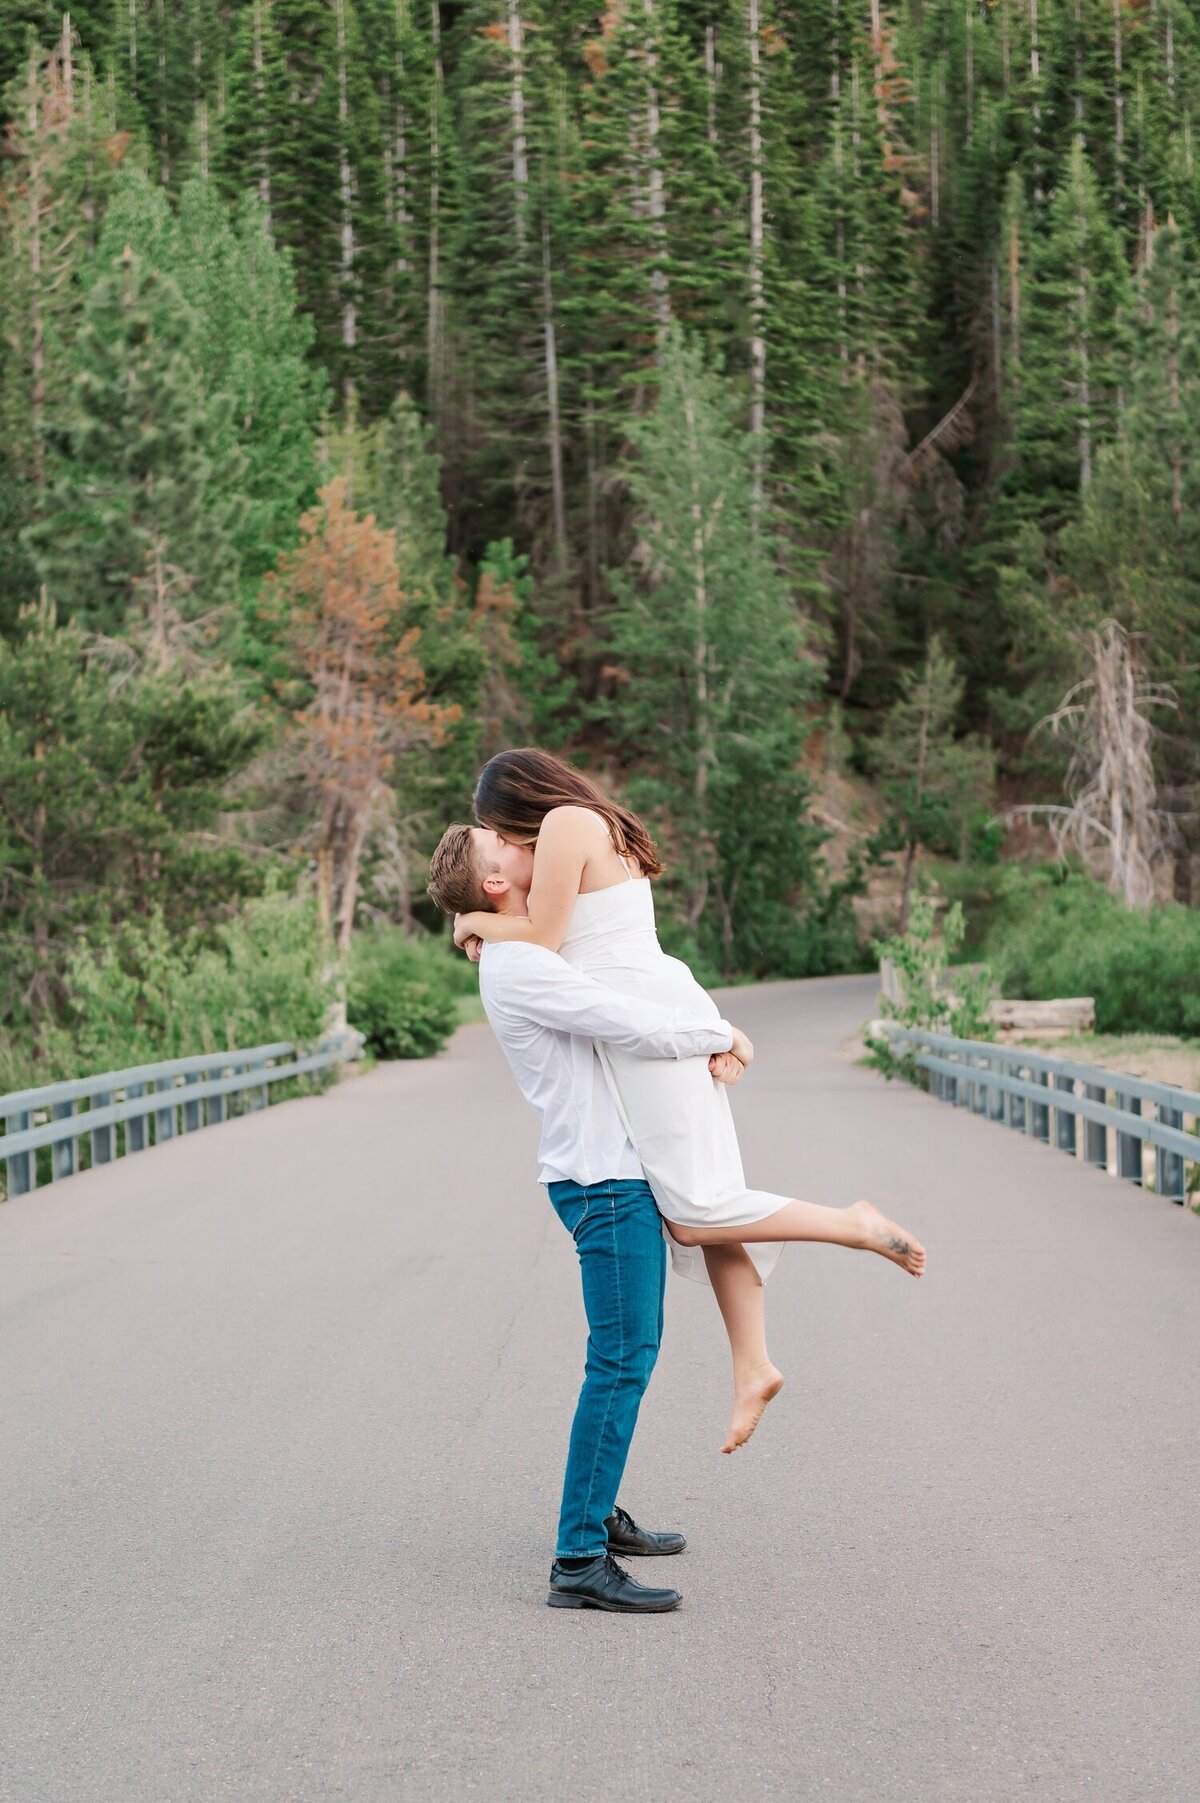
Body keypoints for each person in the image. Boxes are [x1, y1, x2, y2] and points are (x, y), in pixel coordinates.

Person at [444, 748, 926, 1455]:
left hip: (648, 1023)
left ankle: (849, 1223)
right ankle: (752, 1362)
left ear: (521, 803)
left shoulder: (568, 826)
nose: (511, 842)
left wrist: (474, 923)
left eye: (500, 827)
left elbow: (543, 939)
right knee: (705, 1192)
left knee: (695, 1209)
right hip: (654, 1005)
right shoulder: (586, 824)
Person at [428, 822, 753, 1613]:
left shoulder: (522, 945)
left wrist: (476, 924)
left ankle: (597, 1514)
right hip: (603, 1181)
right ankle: (578, 1556)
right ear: (497, 880)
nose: (517, 840)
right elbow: (623, 1019)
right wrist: (727, 1033)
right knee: (621, 1357)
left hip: (610, 1170)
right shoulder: (520, 967)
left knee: (625, 1354)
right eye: (499, 844)